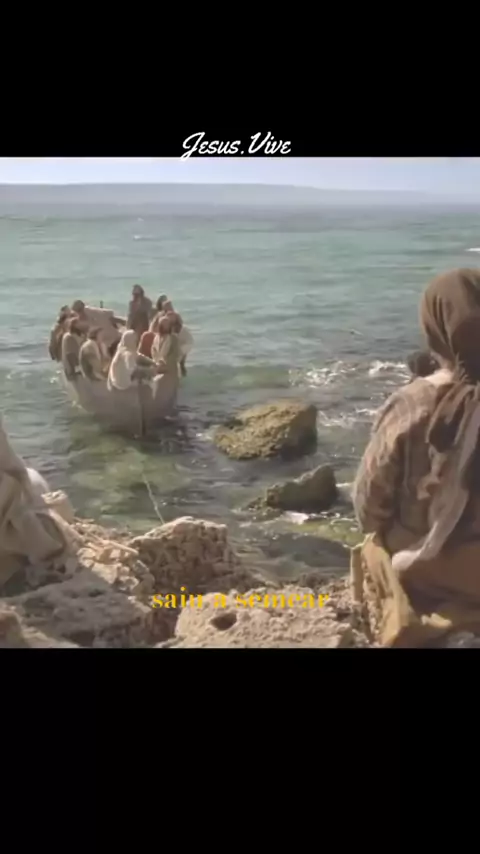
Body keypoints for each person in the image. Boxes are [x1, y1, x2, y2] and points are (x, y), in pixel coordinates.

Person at [352, 268, 480, 646]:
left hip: (438, 566)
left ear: (433, 328)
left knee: (371, 547)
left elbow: (368, 510)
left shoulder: (414, 402)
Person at [167, 311, 193, 376]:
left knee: (180, 363)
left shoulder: (184, 332)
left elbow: (189, 343)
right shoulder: (167, 329)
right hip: (175, 346)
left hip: (184, 346)